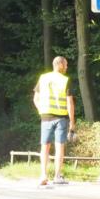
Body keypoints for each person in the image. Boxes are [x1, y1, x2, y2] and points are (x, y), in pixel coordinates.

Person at [33, 56, 76, 188]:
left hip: (45, 116)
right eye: (66, 64)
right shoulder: (65, 80)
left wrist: (41, 110)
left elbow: (36, 98)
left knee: (44, 147)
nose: (67, 67)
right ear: (60, 65)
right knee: (59, 147)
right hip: (61, 118)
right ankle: (57, 176)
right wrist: (72, 122)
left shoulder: (43, 78)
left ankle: (43, 175)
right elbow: (69, 103)